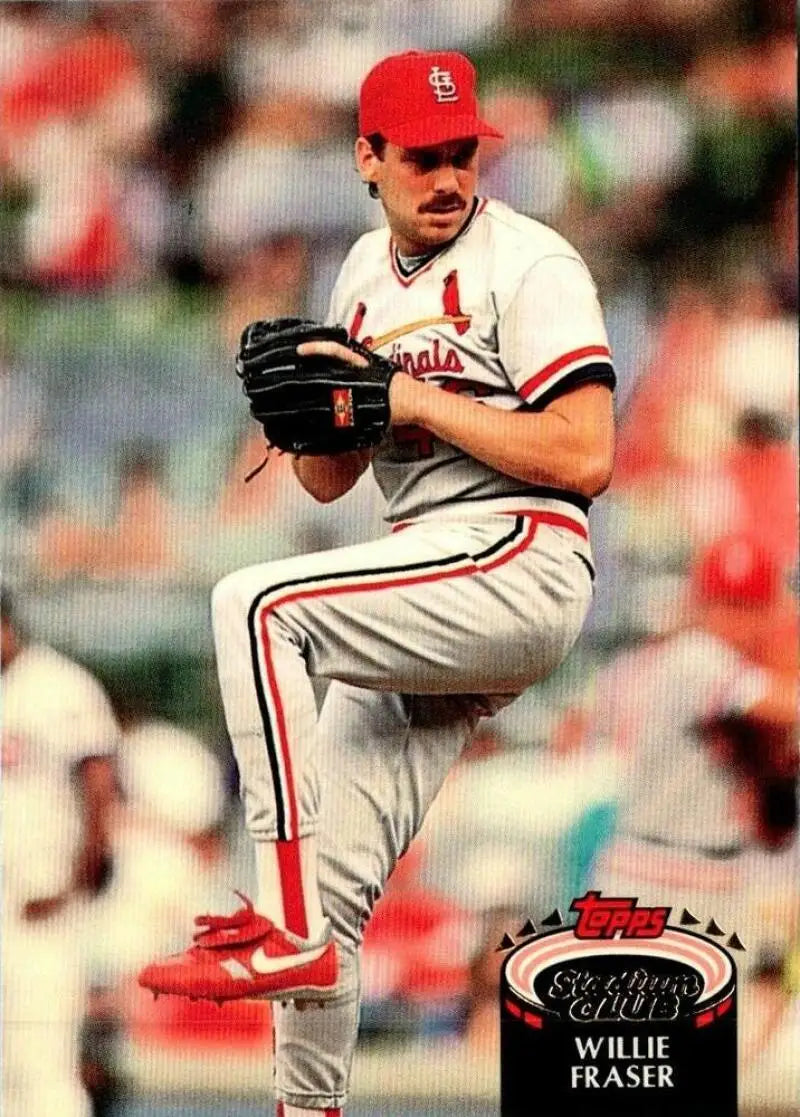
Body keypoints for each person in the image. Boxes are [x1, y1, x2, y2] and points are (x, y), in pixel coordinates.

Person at [139, 50, 616, 1114]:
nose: (446, 178)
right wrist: (304, 416)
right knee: (328, 901)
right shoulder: (357, 275)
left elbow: (585, 455)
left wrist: (413, 401)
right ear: (367, 156)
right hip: (424, 590)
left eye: (461, 155)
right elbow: (327, 482)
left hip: (518, 554)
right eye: (420, 158)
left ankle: (286, 930)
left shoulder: (531, 265)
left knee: (252, 604)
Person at [1, 588, 119, 1117]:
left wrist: (73, 882)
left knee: (43, 1065)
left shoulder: (59, 684)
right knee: (7, 1071)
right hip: (8, 900)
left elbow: (99, 784)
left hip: (44, 900)